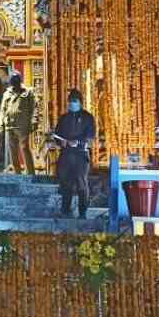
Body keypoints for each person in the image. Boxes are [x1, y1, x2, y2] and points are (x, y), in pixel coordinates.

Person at [50, 88, 95, 219]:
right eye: (70, 101)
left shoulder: (88, 117)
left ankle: (82, 212)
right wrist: (60, 142)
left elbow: (90, 136)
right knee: (65, 184)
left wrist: (78, 142)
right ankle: (65, 210)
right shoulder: (64, 118)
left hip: (81, 154)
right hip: (66, 154)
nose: (71, 104)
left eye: (74, 101)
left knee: (81, 183)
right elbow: (57, 135)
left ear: (80, 102)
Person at [0, 71, 37, 175]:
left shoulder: (28, 92)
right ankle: (17, 172)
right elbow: (3, 109)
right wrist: (0, 124)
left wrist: (34, 121)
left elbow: (34, 108)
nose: (14, 85)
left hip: (22, 125)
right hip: (10, 124)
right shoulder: (7, 93)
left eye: (16, 83)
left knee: (24, 148)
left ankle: (30, 173)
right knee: (12, 150)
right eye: (13, 83)